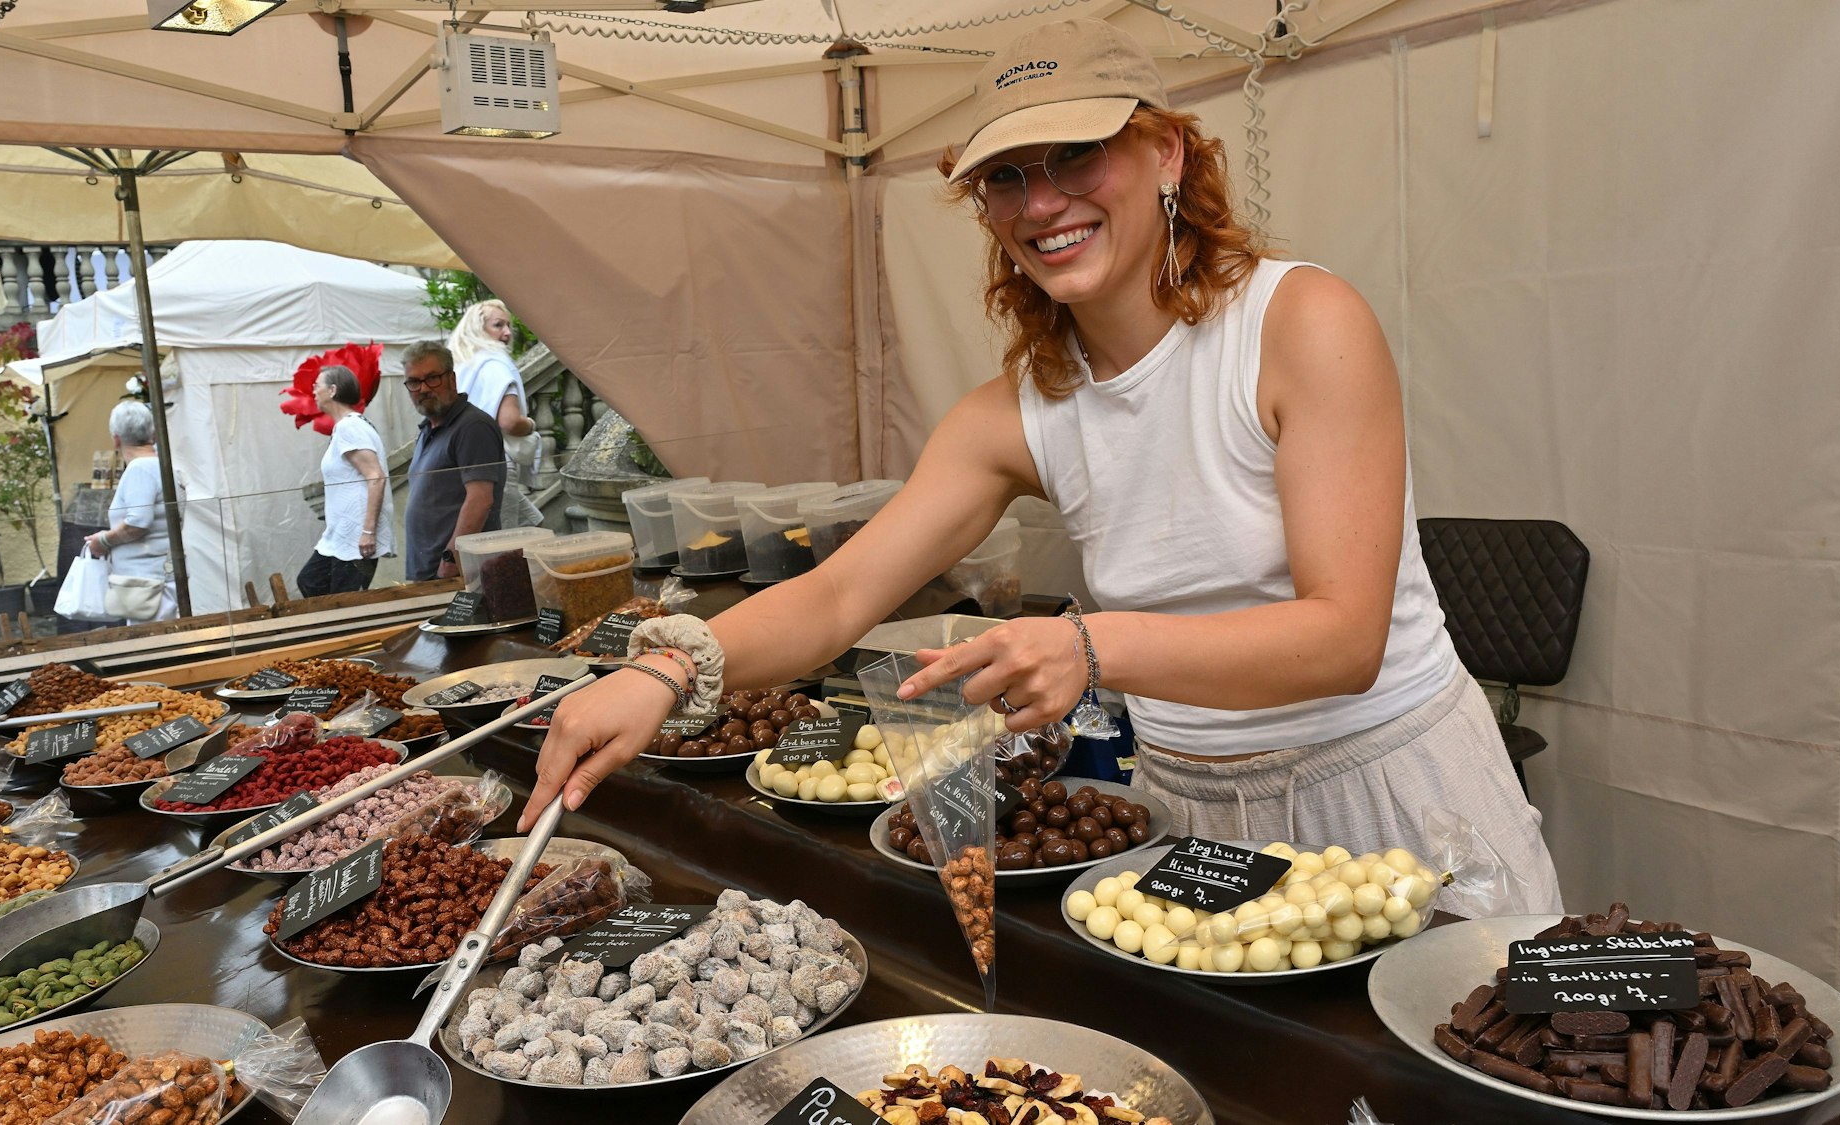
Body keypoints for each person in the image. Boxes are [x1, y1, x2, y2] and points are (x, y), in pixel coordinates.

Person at [519, 18, 1561, 913]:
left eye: (1074, 156)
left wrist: (1088, 648)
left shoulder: (1298, 324)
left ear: (1165, 154)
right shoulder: (1014, 413)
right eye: (1004, 178)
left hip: (1378, 787)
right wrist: (665, 668)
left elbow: (1341, 638)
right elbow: (838, 594)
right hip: (1188, 816)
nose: (1039, 202)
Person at [401, 341, 506, 581]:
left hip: (458, 574)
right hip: (431, 574)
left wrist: (451, 561)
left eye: (432, 378)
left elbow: (480, 500)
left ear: (452, 379)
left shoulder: (472, 427)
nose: (424, 388)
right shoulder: (429, 428)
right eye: (414, 382)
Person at [297, 365, 394, 597]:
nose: (313, 391)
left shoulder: (350, 426)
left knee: (346, 602)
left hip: (356, 536)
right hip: (340, 533)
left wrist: (368, 531)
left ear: (332, 390)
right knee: (311, 581)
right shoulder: (346, 426)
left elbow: (376, 477)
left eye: (316, 386)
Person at [448, 300, 546, 529]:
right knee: (505, 545)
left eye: (508, 326)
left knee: (534, 524)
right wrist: (530, 424)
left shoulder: (464, 365)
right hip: (498, 462)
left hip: (468, 461)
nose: (507, 332)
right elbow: (510, 422)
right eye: (498, 325)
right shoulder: (496, 365)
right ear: (478, 330)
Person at [83, 400, 179, 621]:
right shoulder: (162, 465)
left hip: (145, 583)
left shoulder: (140, 469)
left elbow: (138, 522)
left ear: (116, 438)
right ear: (152, 434)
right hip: (157, 576)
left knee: (151, 646)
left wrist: (103, 541)